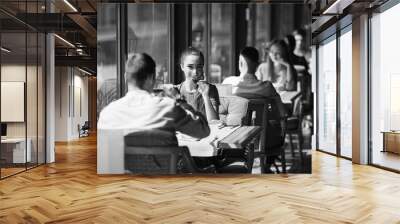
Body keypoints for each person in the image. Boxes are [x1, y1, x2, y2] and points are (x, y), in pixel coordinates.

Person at [98, 53, 210, 140]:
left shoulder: (107, 115)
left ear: (125, 77)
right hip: (163, 169)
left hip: (122, 169)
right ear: (151, 78)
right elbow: (203, 130)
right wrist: (179, 99)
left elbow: (108, 161)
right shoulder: (168, 108)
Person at [223, 46, 287, 117]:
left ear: (240, 64)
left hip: (232, 125)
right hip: (261, 127)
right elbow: (282, 113)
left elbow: (221, 108)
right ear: (257, 65)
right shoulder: (267, 87)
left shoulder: (228, 83)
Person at [174, 47, 220, 122]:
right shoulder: (175, 91)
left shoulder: (211, 89)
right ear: (182, 67)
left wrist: (205, 96)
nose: (195, 72)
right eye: (190, 67)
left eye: (199, 67)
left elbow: (214, 122)